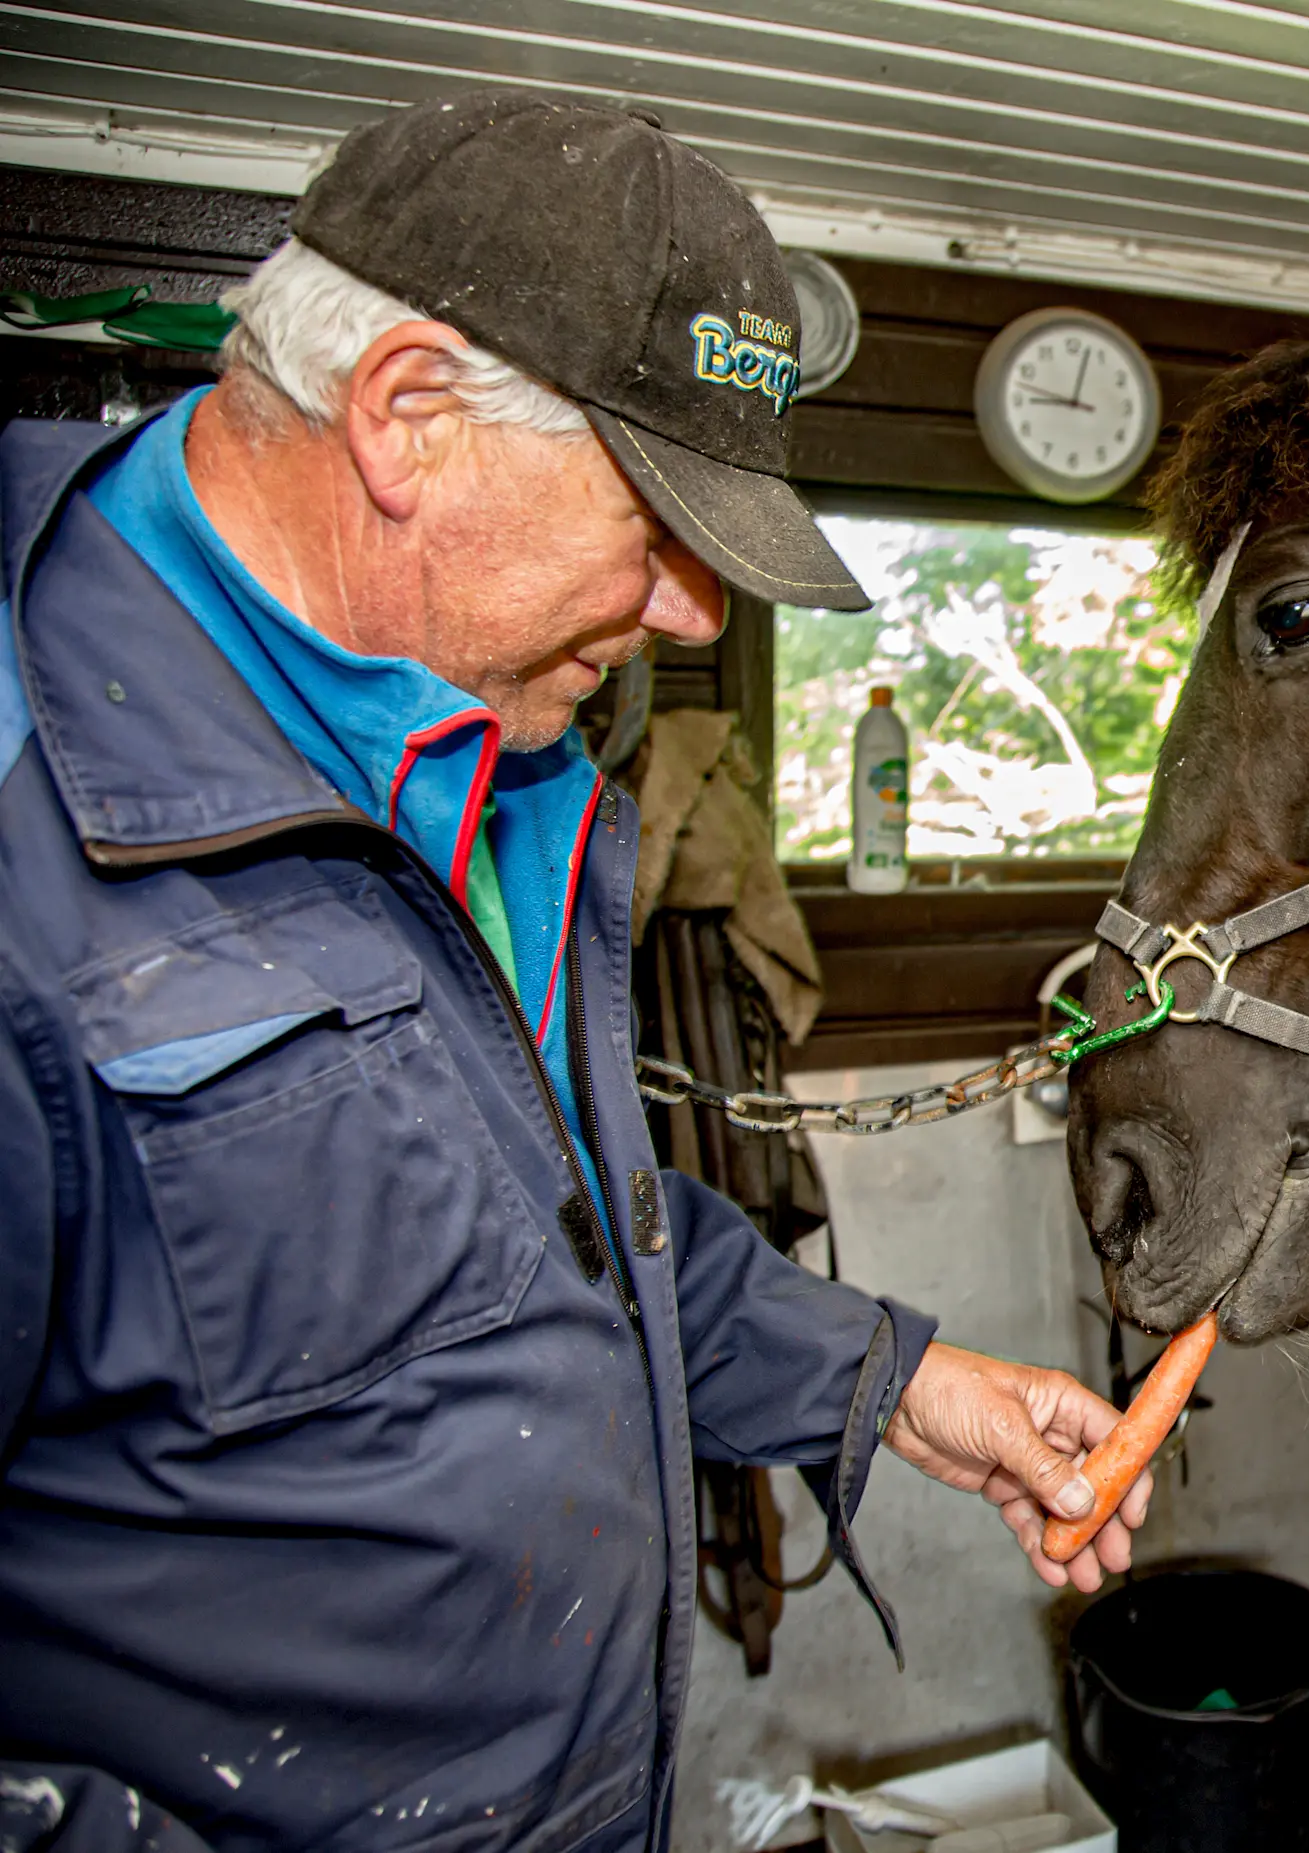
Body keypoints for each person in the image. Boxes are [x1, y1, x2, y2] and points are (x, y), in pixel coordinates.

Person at [0, 89, 1148, 1852]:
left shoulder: (503, 770)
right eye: (658, 515)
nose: (696, 613)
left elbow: (536, 1255)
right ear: (404, 416)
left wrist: (893, 1381)